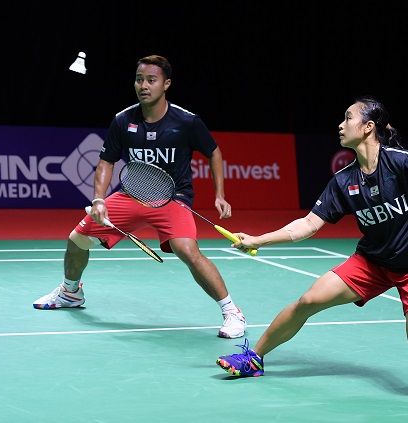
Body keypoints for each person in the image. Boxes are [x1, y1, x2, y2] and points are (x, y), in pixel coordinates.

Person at [216, 97, 408, 395]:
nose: (340, 124)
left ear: (368, 127)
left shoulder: (397, 161)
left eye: (348, 118)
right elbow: (309, 225)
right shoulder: (343, 180)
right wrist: (258, 240)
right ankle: (254, 358)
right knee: (308, 301)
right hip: (371, 263)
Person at [33, 55, 247, 339]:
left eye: (151, 80)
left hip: (173, 197)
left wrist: (220, 195)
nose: (143, 85)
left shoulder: (186, 121)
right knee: (77, 240)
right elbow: (106, 161)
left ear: (166, 84)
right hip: (131, 194)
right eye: (139, 79)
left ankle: (232, 312)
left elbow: (214, 152)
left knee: (187, 251)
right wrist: (98, 199)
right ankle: (71, 292)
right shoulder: (123, 120)